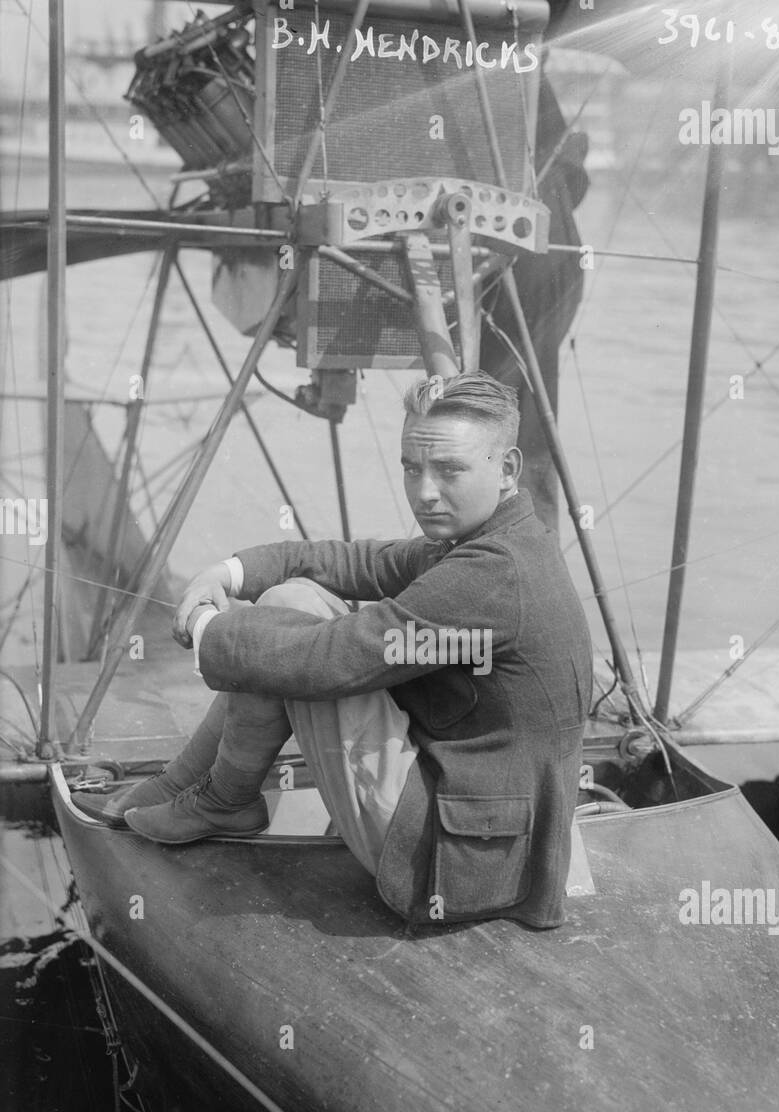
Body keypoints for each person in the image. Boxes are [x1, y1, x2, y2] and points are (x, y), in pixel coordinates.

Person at [74, 371, 593, 929]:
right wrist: (229, 572)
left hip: (452, 864)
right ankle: (195, 785)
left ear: (508, 469)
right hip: (487, 826)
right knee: (290, 600)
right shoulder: (497, 539)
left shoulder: (492, 573)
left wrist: (206, 628)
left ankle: (223, 796)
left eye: (449, 470)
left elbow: (328, 659)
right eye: (412, 467)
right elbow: (363, 561)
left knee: (296, 634)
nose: (424, 491)